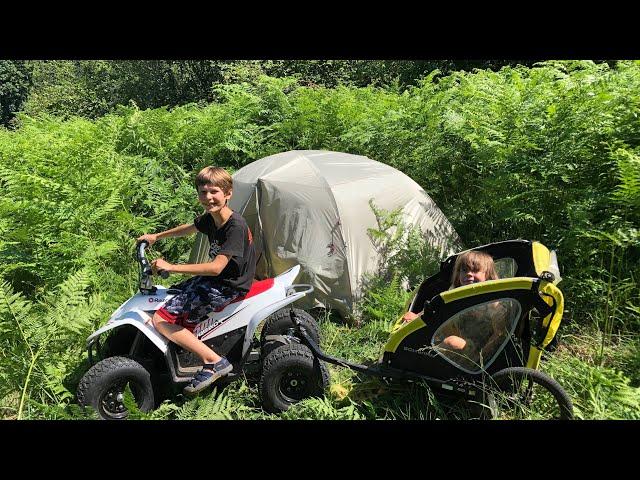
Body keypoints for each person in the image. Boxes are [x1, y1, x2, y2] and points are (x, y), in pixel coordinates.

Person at [137, 166, 256, 394]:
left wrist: (172, 267)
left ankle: (213, 361)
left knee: (161, 320)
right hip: (217, 280)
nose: (208, 198)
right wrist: (156, 237)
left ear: (228, 193)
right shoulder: (212, 218)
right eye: (203, 192)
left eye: (214, 192)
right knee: (171, 295)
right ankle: (187, 343)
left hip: (228, 285)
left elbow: (216, 267)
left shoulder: (235, 226)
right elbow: (191, 228)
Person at [401, 250, 500, 353]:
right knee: (409, 316)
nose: (469, 274)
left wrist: (483, 355)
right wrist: (417, 317)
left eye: (475, 270)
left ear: (488, 275)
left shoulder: (492, 301)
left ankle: (427, 359)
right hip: (447, 335)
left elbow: (498, 334)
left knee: (453, 342)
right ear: (458, 273)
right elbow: (436, 308)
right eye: (464, 270)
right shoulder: (455, 292)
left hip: (475, 349)